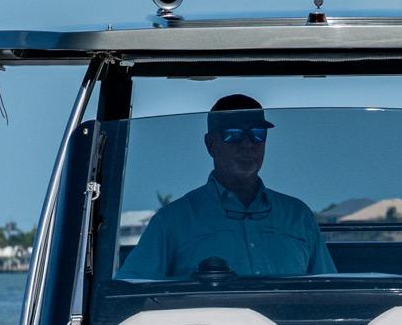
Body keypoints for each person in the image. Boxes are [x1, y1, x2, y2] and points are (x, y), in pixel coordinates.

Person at [115, 94, 336, 279]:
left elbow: (329, 293)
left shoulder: (298, 217)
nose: (248, 144)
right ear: (211, 144)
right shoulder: (172, 221)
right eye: (233, 134)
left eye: (257, 134)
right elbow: (131, 295)